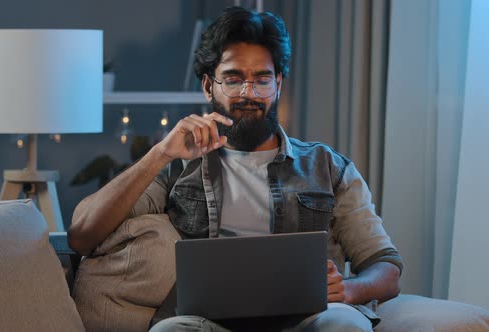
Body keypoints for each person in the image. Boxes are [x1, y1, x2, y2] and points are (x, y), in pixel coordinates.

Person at [69, 6, 402, 332]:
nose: (249, 94)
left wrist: (349, 291)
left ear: (279, 83)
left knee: (343, 323)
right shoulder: (178, 168)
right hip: (206, 322)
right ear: (208, 86)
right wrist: (160, 153)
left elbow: (385, 267)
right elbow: (82, 234)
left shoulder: (329, 168)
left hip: (310, 318)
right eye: (233, 79)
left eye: (262, 79)